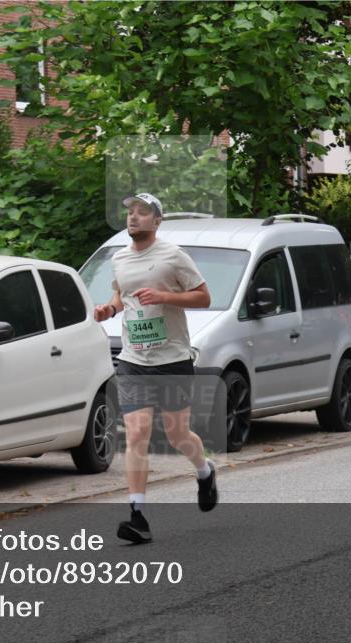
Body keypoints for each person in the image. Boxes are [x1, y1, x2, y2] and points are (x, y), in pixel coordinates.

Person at [93, 193, 217, 544]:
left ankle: (205, 472)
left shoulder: (173, 256)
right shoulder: (119, 258)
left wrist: (165, 297)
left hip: (172, 359)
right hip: (134, 360)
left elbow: (204, 297)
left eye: (143, 212)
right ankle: (137, 516)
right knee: (135, 435)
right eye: (130, 212)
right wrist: (109, 310)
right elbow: (122, 295)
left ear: (157, 221)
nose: (134, 217)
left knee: (178, 434)